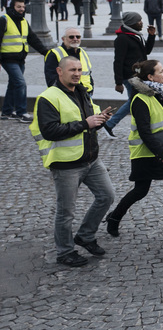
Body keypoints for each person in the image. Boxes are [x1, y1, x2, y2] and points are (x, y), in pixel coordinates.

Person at [30, 56, 115, 267]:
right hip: (66, 164)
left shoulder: (82, 91)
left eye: (79, 69)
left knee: (106, 196)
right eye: (72, 70)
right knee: (66, 211)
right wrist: (85, 124)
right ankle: (65, 252)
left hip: (91, 159)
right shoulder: (48, 98)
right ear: (59, 71)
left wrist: (99, 119)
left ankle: (85, 236)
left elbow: (89, 120)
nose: (77, 73)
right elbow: (50, 131)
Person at [106, 60, 163, 238]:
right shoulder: (140, 100)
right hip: (147, 153)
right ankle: (114, 218)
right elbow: (144, 132)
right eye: (161, 71)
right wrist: (161, 153)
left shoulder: (159, 93)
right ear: (150, 76)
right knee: (141, 190)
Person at [105, 12, 156, 136]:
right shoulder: (122, 38)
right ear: (132, 23)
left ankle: (111, 124)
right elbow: (118, 61)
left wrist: (151, 36)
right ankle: (111, 124)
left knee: (134, 100)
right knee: (134, 101)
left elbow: (146, 51)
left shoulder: (136, 35)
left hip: (139, 75)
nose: (142, 23)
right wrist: (118, 82)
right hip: (129, 76)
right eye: (139, 21)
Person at [1, 0, 49, 122]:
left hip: (20, 59)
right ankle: (22, 112)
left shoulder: (23, 21)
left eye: (23, 7)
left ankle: (6, 112)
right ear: (12, 7)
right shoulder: (4, 20)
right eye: (19, 7)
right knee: (20, 83)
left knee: (13, 84)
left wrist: (46, 53)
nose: (22, 9)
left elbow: (33, 39)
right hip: (7, 59)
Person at [45, 27, 94, 96]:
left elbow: (88, 74)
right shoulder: (54, 54)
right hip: (66, 95)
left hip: (86, 94)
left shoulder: (83, 52)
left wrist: (91, 90)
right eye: (71, 37)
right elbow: (51, 79)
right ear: (63, 39)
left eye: (78, 37)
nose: (75, 39)